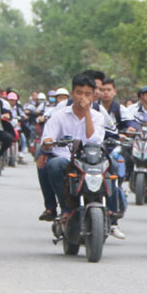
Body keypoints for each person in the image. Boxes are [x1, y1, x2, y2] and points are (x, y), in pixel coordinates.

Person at [36, 73, 109, 221]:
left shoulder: (98, 116)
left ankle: (110, 214)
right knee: (53, 164)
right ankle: (64, 208)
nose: (83, 97)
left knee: (112, 169)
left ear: (93, 95)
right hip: (64, 158)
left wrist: (87, 112)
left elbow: (94, 140)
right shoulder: (59, 115)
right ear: (72, 94)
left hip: (89, 160)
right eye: (79, 93)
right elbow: (47, 138)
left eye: (87, 94)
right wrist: (48, 142)